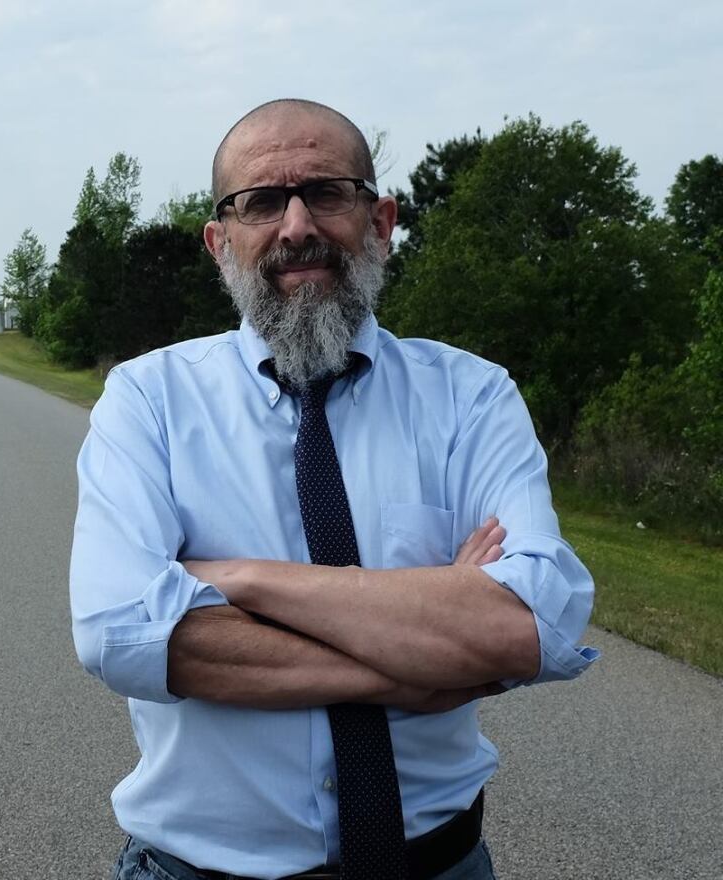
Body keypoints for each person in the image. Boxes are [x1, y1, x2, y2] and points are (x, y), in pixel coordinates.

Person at [70, 98, 598, 880]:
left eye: (326, 193)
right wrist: (421, 651)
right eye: (260, 202)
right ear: (221, 243)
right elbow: (122, 634)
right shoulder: (147, 400)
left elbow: (536, 622)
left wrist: (244, 580)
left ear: (379, 220)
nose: (296, 228)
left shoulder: (472, 397)